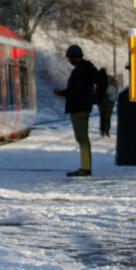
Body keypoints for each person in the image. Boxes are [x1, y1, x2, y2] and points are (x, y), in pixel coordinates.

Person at [53, 44, 98, 177]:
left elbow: (77, 91)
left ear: (73, 57)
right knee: (83, 138)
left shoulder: (80, 71)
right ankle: (86, 166)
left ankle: (85, 168)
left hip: (79, 108)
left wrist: (63, 93)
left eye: (69, 58)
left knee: (82, 138)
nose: (69, 60)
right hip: (85, 106)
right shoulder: (88, 68)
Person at [98, 67, 117, 138]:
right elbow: (115, 87)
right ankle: (107, 131)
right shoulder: (111, 78)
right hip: (110, 100)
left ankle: (102, 130)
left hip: (101, 100)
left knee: (102, 115)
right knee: (108, 116)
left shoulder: (98, 79)